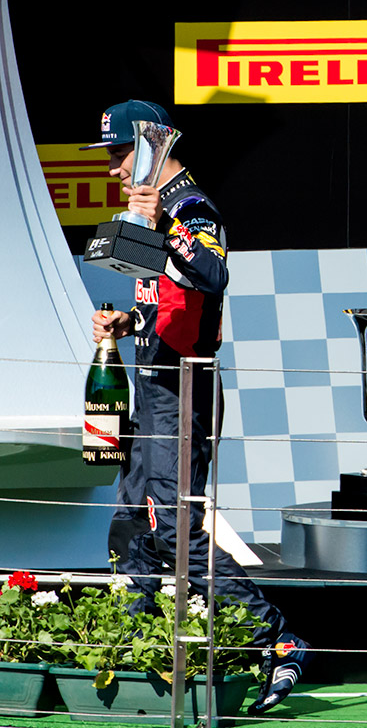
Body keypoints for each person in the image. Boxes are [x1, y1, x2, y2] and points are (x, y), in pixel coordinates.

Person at [85, 99, 309, 716]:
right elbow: (171, 302)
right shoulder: (152, 209)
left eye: (118, 152)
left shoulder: (191, 207)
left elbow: (211, 276)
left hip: (182, 390)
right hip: (153, 379)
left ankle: (278, 639)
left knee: (172, 530)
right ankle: (127, 649)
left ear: (152, 145)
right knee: (135, 524)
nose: (111, 167)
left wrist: (159, 233)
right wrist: (128, 322)